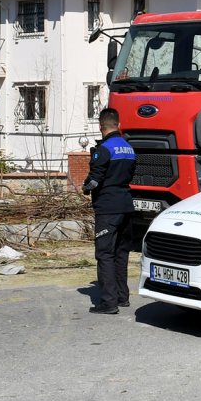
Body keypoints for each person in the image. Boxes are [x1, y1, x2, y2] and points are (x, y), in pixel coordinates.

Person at [82, 108, 136, 315]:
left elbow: (95, 179)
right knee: (121, 253)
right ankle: (123, 297)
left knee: (104, 253)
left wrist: (86, 187)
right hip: (126, 206)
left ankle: (108, 302)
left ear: (101, 126)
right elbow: (130, 175)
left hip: (108, 209)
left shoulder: (103, 149)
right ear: (118, 124)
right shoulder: (128, 148)